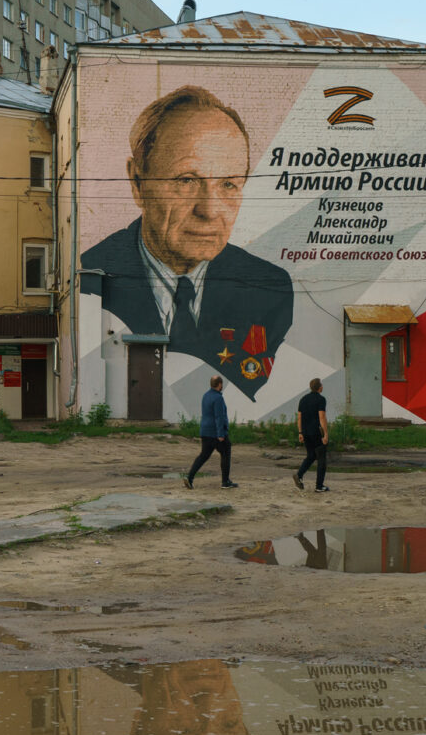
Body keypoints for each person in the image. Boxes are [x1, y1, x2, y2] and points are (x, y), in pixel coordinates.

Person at [80, 85, 293, 399]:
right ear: (137, 183)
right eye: (187, 181)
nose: (208, 211)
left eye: (229, 184)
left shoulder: (270, 290)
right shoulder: (92, 276)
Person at [187, 375, 237, 488]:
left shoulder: (205, 396)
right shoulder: (218, 398)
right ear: (219, 384)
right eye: (221, 384)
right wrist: (220, 434)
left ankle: (189, 478)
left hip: (205, 431)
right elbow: (219, 416)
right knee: (226, 453)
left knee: (203, 456)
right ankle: (225, 482)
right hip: (216, 433)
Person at [293, 377, 329, 493]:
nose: (322, 386)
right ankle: (319, 486)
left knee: (311, 456)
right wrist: (325, 435)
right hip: (316, 433)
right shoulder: (321, 399)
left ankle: (299, 475)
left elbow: (299, 417)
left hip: (306, 433)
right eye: (321, 385)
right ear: (320, 387)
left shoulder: (303, 399)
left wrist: (300, 432)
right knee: (321, 459)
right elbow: (321, 417)